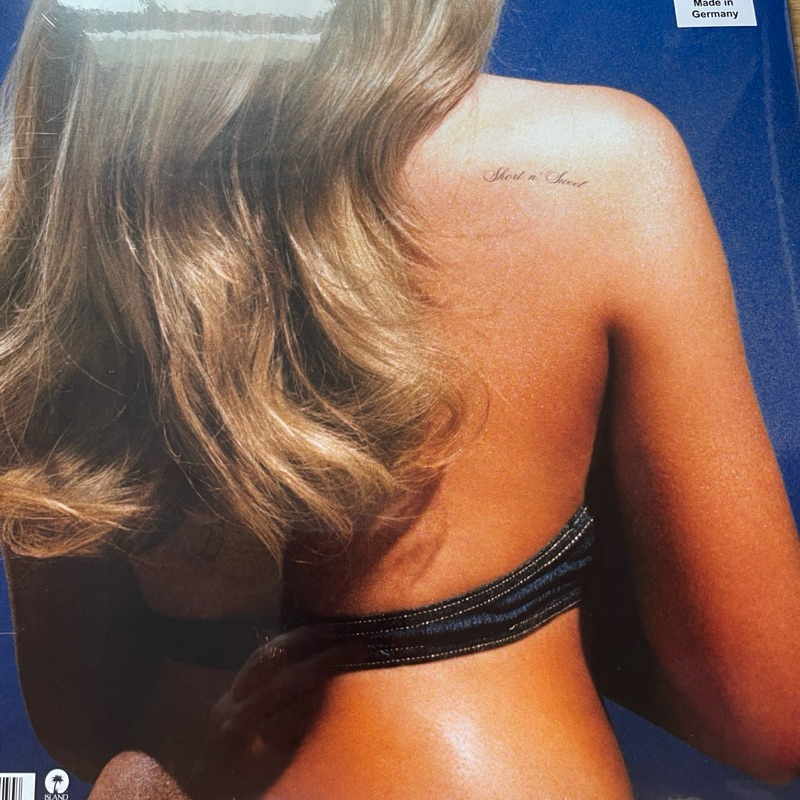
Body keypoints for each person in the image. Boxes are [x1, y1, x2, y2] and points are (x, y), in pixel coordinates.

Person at [2, 1, 800, 798]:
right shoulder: (598, 165)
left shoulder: (50, 209)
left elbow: (80, 715)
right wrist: (538, 576)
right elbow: (769, 714)